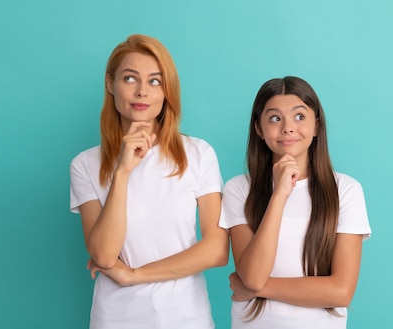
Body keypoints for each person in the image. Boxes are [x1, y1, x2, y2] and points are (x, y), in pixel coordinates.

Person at [69, 34, 229, 329]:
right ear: (110, 83)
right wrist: (122, 172)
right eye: (130, 78)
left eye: (155, 81)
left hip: (185, 316)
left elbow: (217, 250)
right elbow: (104, 255)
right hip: (116, 317)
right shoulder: (85, 164)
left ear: (167, 90)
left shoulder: (198, 153)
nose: (142, 91)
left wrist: (134, 275)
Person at [219, 76, 372, 328]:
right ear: (259, 129)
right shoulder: (238, 188)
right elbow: (254, 276)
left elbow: (340, 291)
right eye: (275, 118)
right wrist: (279, 194)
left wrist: (259, 288)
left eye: (299, 117)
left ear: (316, 126)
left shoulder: (345, 190)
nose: (288, 128)